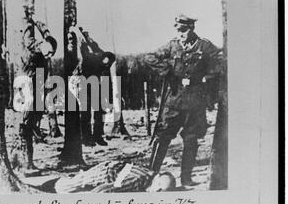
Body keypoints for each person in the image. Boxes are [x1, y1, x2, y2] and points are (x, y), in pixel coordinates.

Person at [142, 14, 223, 187]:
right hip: (174, 102)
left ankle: (186, 178)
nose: (180, 34)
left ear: (192, 29)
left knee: (191, 139)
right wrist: (169, 73)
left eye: (184, 30)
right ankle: (152, 174)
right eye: (178, 30)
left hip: (195, 102)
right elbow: (149, 57)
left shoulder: (204, 46)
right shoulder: (173, 45)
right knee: (162, 137)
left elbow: (222, 60)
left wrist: (206, 77)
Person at [19, 12, 57, 170]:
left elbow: (49, 38)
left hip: (38, 89)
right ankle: (27, 162)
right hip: (29, 88)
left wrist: (39, 23)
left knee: (35, 119)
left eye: (51, 53)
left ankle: (30, 160)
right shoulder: (33, 48)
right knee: (27, 124)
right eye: (47, 51)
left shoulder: (43, 52)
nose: (49, 55)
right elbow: (28, 38)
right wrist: (29, 22)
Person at [69, 26, 115, 146]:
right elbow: (84, 46)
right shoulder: (91, 57)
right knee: (86, 113)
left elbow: (92, 44)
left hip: (95, 86)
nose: (106, 64)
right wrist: (81, 35)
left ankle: (97, 136)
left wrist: (85, 35)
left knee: (99, 112)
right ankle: (86, 138)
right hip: (83, 84)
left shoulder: (103, 59)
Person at [53, 159, 176, 193]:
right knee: (67, 187)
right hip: (103, 174)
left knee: (75, 182)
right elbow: (109, 190)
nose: (157, 189)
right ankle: (45, 186)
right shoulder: (138, 180)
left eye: (161, 190)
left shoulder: (148, 173)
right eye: (159, 184)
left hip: (109, 167)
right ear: (158, 176)